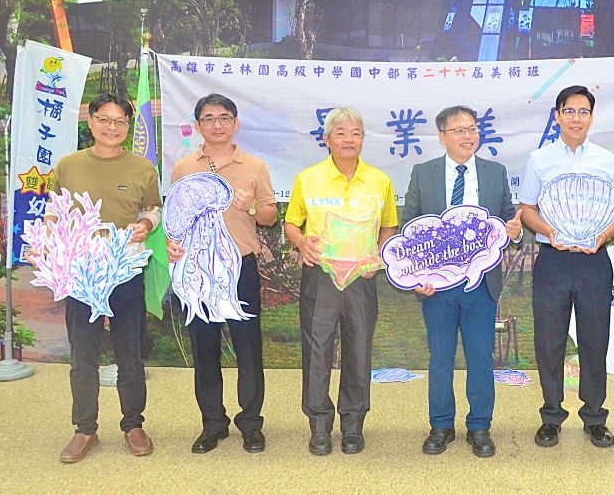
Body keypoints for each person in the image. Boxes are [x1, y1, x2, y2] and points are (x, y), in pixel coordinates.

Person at [402, 106, 523, 458]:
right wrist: (417, 276)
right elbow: (410, 226)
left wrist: (514, 231)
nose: (468, 136)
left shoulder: (494, 172)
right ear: (442, 136)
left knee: (480, 356)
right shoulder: (423, 173)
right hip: (437, 286)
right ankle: (441, 426)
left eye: (472, 129)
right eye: (459, 130)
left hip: (480, 283)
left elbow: (507, 220)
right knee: (441, 356)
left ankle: (480, 426)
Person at [49, 93, 162, 463]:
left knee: (130, 352)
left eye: (120, 122)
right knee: (83, 355)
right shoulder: (68, 165)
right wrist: (48, 243)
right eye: (104, 119)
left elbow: (152, 209)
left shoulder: (143, 168)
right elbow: (55, 213)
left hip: (125, 270)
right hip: (82, 274)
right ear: (91, 121)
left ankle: (134, 425)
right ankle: (85, 429)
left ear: (128, 126)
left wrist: (146, 224)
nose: (112, 127)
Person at [518, 85, 614, 449]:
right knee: (549, 341)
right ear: (557, 116)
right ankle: (551, 416)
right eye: (569, 111)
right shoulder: (540, 159)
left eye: (583, 112)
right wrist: (548, 230)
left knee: (594, 340)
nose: (576, 118)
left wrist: (603, 236)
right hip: (553, 260)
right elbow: (527, 209)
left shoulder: (606, 160)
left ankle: (595, 418)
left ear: (591, 118)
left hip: (594, 261)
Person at [166, 94, 278, 454]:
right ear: (198, 125)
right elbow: (174, 217)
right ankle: (213, 424)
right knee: (205, 347)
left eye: (224, 117)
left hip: (241, 267)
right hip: (198, 268)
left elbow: (270, 217)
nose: (217, 124)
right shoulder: (184, 168)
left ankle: (251, 424)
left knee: (248, 348)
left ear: (235, 123)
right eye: (209, 118)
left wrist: (252, 206)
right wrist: (171, 243)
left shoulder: (255, 166)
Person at [284, 107, 398, 456]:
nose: (349, 139)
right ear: (327, 139)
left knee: (358, 349)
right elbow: (291, 224)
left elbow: (389, 225)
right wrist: (301, 243)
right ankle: (319, 425)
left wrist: (379, 257)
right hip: (321, 276)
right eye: (341, 133)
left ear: (363, 139)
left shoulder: (379, 180)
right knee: (317, 349)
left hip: (362, 278)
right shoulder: (308, 178)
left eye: (356, 133)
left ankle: (353, 425)